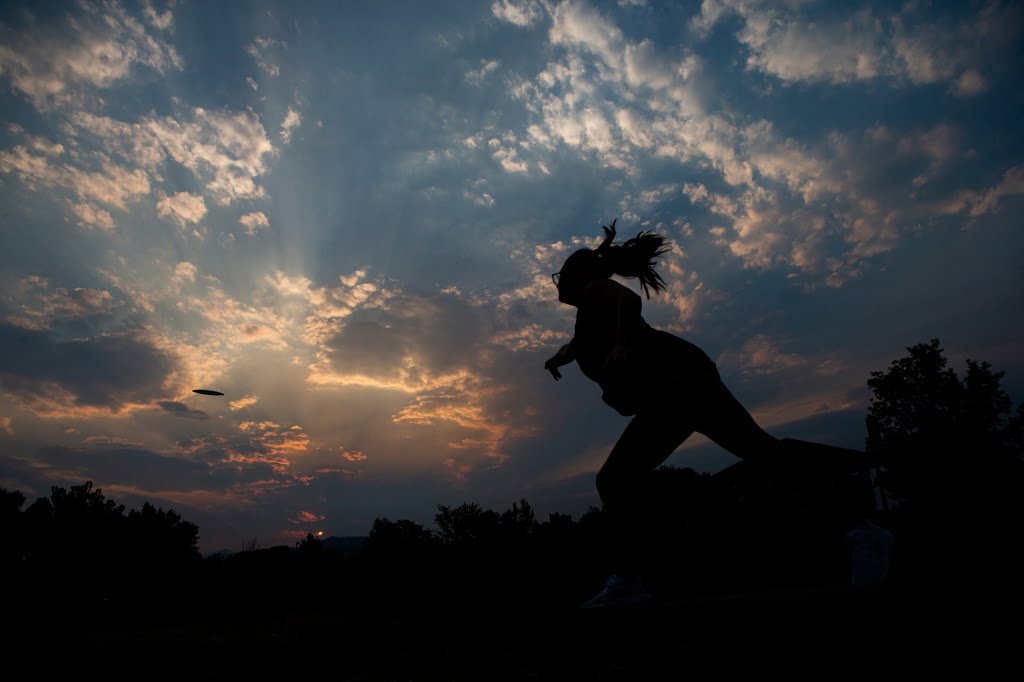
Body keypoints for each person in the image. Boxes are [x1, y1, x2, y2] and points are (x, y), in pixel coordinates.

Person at [544, 220, 894, 608]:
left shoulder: (596, 292)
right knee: (752, 454)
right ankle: (860, 529)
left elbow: (629, 302)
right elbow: (579, 344)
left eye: (559, 275)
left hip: (681, 383)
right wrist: (560, 356)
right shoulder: (587, 318)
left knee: (619, 479)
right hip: (675, 390)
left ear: (577, 276)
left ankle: (863, 531)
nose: (557, 283)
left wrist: (623, 345)